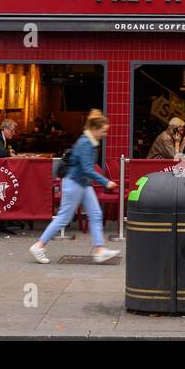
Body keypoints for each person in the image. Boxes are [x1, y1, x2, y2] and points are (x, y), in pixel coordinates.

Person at [30, 111, 119, 264]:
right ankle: (39, 246)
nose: (105, 134)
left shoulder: (89, 141)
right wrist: (106, 182)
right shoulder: (86, 143)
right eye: (103, 131)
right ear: (95, 129)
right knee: (64, 217)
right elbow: (87, 169)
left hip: (81, 183)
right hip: (75, 183)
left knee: (96, 213)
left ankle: (99, 250)